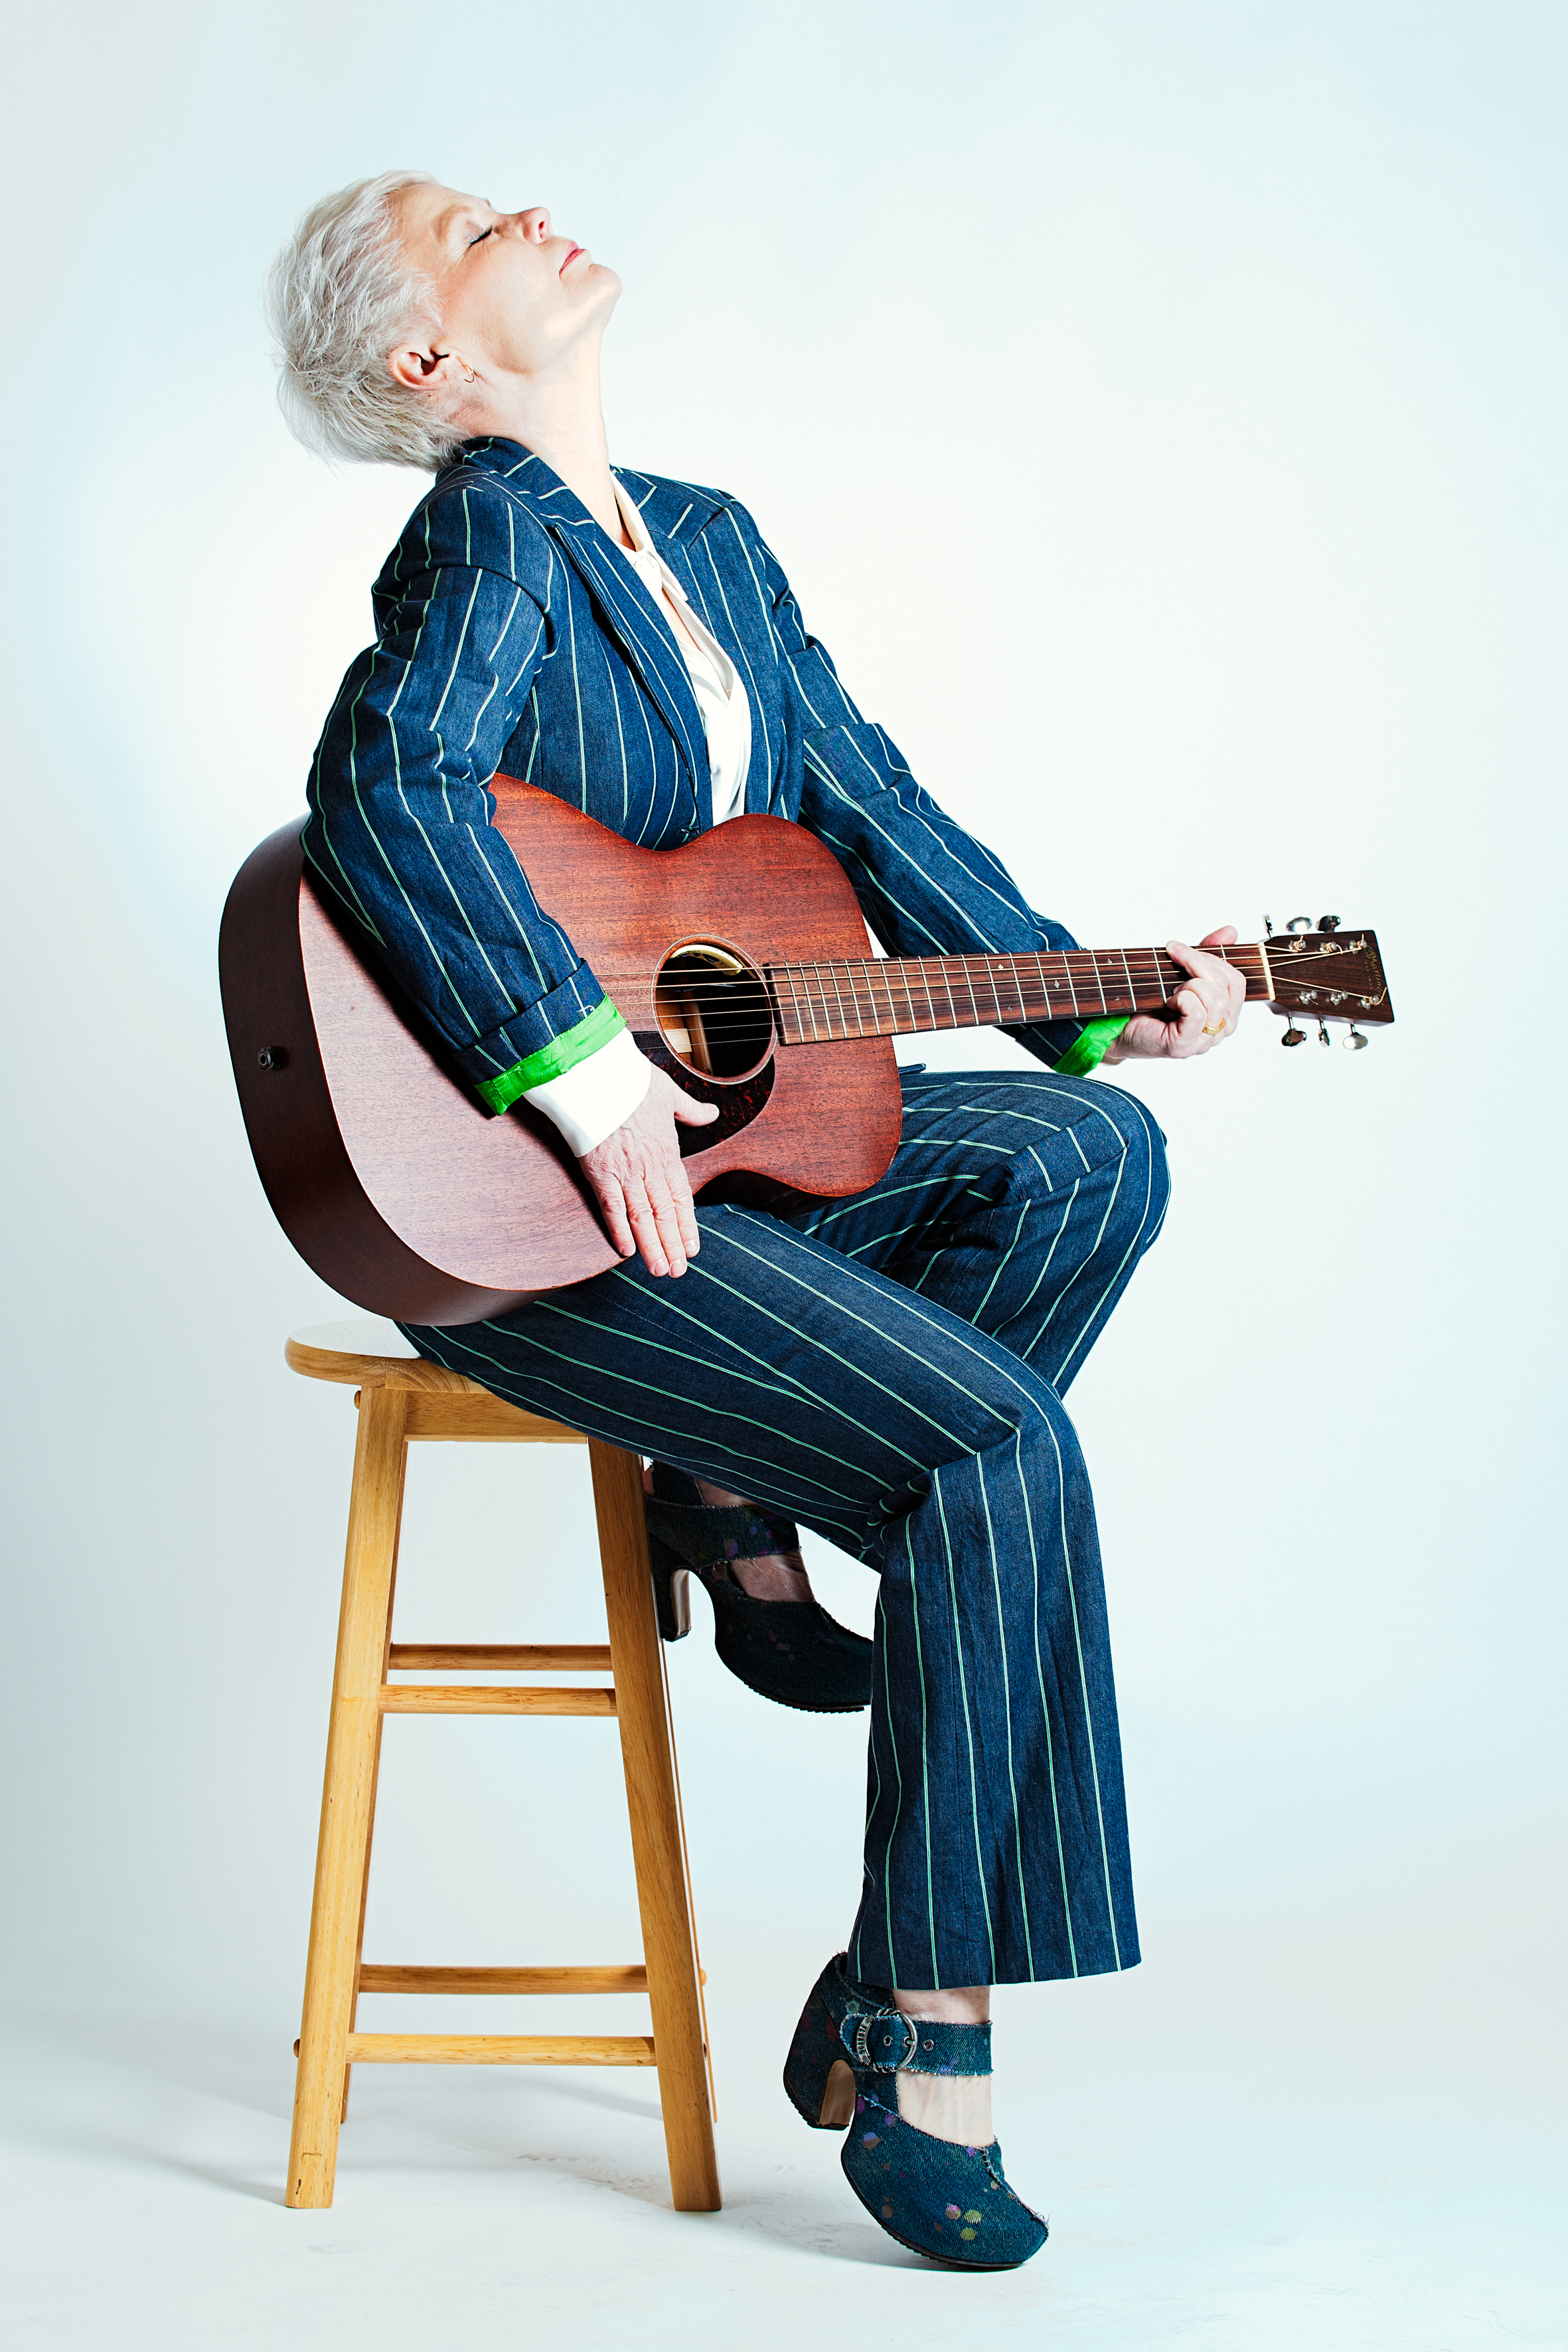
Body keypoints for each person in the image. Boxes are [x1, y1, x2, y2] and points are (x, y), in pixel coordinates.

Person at [266, 171, 1246, 2271]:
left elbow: (865, 806)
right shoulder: (488, 527)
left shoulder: (703, 538)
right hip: (535, 1217)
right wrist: (579, 1068)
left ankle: (736, 1485)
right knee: (996, 1456)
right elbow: (391, 791)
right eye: (469, 227)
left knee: (1090, 1156)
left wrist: (1094, 1003)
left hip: (715, 1188)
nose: (528, 212)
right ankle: (924, 2025)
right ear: (429, 355)